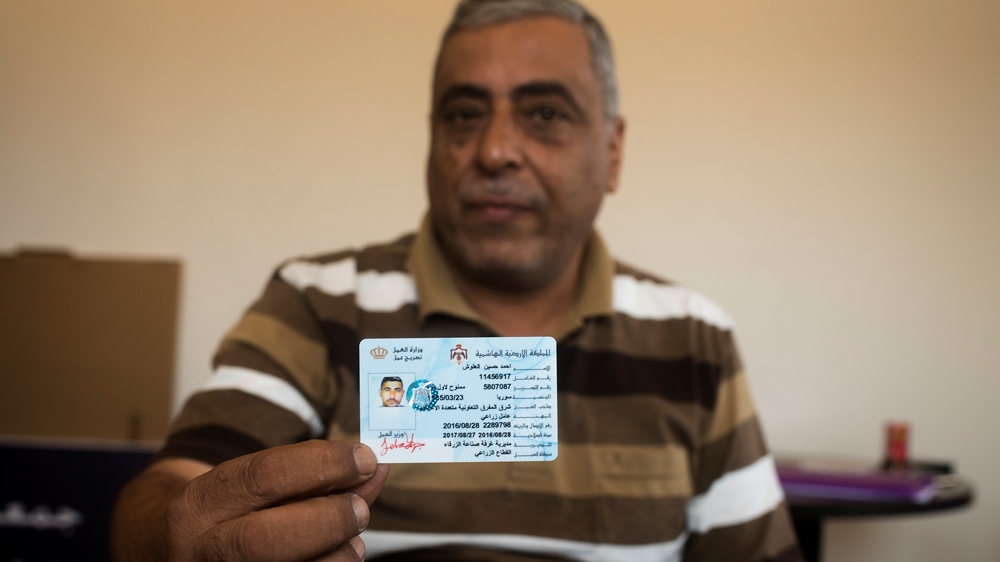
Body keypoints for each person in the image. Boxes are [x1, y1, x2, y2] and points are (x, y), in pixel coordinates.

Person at [111, 1, 803, 561]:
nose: (495, 150)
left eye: (545, 114)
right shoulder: (317, 302)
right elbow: (171, 494)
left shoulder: (694, 339)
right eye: (465, 114)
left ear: (612, 151)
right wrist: (181, 540)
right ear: (432, 138)